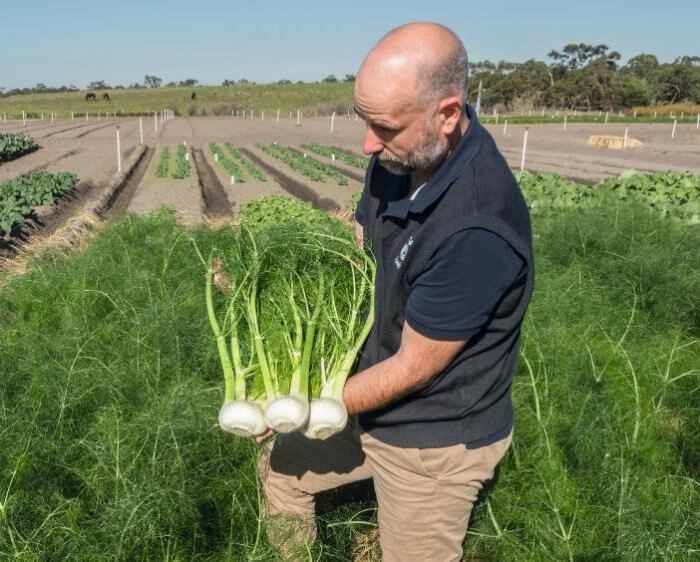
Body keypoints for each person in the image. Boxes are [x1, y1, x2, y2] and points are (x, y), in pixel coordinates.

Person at [257, 21, 534, 561]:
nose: (366, 143)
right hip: (367, 391)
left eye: (383, 127)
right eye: (364, 121)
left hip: (432, 433)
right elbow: (364, 244)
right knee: (280, 470)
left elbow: (414, 368)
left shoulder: (475, 227)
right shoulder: (402, 157)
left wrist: (302, 402)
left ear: (447, 114)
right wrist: (265, 280)